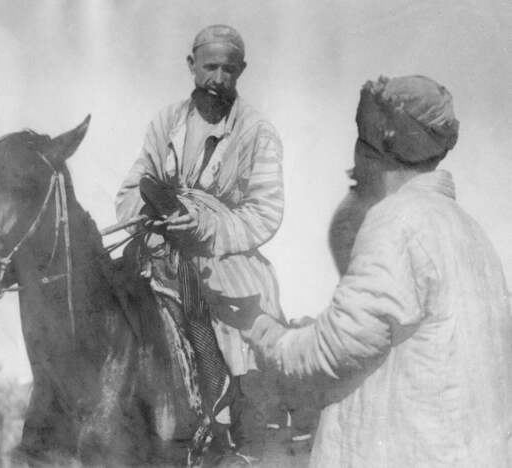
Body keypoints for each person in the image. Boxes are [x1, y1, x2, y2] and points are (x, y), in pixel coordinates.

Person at [244, 75, 512, 467]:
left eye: (358, 144)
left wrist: (267, 336)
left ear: (374, 150)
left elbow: (335, 349)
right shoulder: (470, 232)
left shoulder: (398, 221)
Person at [115, 24, 285, 460]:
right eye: (210, 67)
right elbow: (131, 189)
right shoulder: (165, 122)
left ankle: (236, 441)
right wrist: (152, 212)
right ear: (192, 66)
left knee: (241, 346)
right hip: (159, 254)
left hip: (225, 266)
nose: (218, 79)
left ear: (241, 72)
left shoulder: (257, 133)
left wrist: (203, 228)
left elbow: (265, 213)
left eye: (229, 70)